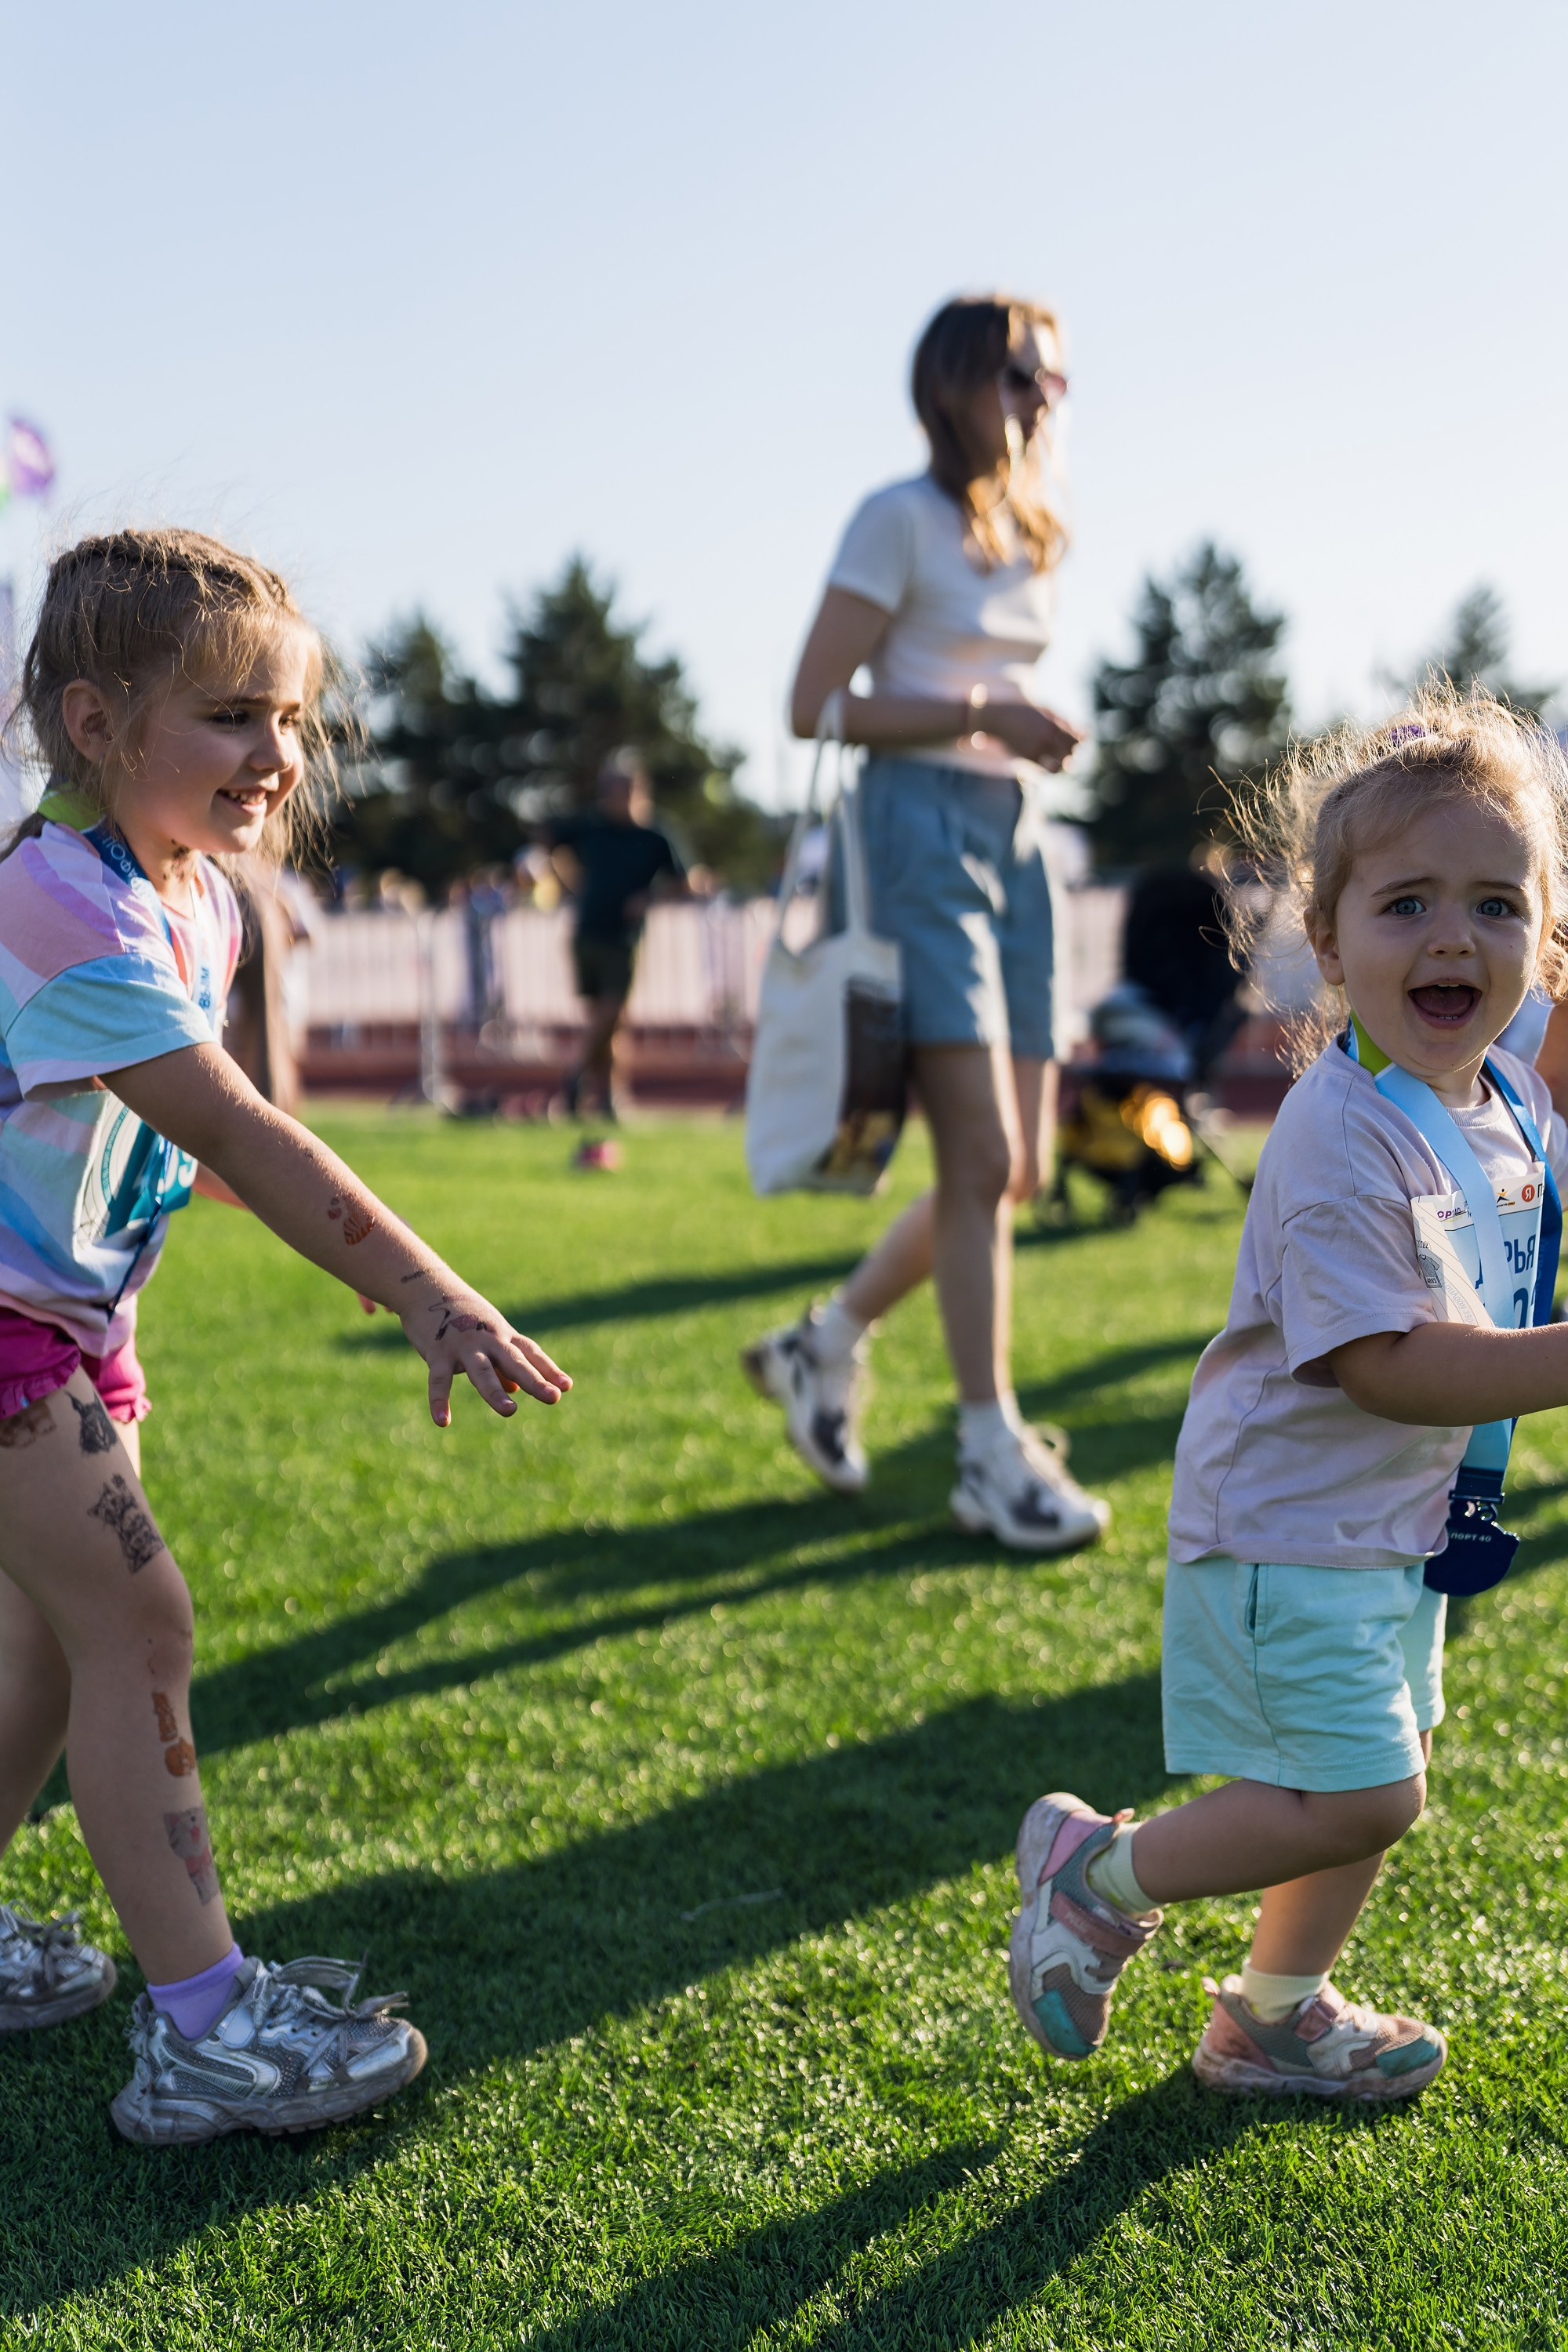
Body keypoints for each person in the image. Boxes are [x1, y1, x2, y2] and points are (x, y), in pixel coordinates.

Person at [0, 529, 571, 2144]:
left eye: (293, 719)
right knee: (142, 1626)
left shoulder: (196, 902)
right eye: (234, 716)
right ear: (97, 720)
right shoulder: (56, 906)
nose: (279, 755)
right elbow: (244, 1138)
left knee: (52, 1643)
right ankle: (198, 2032)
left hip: (59, 1325)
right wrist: (426, 1289)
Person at [1009, 688, 1568, 2100]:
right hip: (1286, 1527)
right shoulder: (1340, 1130)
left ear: (1542, 939)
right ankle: (1100, 1874)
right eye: (1408, 904)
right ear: (1327, 938)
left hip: (1393, 1526)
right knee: (1370, 1791)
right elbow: (1382, 1369)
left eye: (1498, 905)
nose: (1455, 936)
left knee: (1366, 1784)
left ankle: (1272, 2012)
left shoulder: (1497, 1095)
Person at [742, 293, 1109, 1552]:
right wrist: (986, 715)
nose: (1040, 398)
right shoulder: (894, 518)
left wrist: (1020, 732)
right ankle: (986, 1449)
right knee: (979, 1160)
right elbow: (810, 705)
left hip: (1013, 838)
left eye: (1052, 380)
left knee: (1015, 1169)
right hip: (912, 831)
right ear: (954, 383)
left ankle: (823, 1341)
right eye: (1019, 375)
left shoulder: (1036, 528)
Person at [545, 753, 688, 1119]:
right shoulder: (591, 826)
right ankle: (608, 1097)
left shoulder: (654, 836)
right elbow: (547, 843)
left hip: (622, 938)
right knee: (607, 1023)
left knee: (611, 1014)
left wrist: (648, 897)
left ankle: (577, 1074)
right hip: (588, 931)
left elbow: (684, 881)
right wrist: (568, 884)